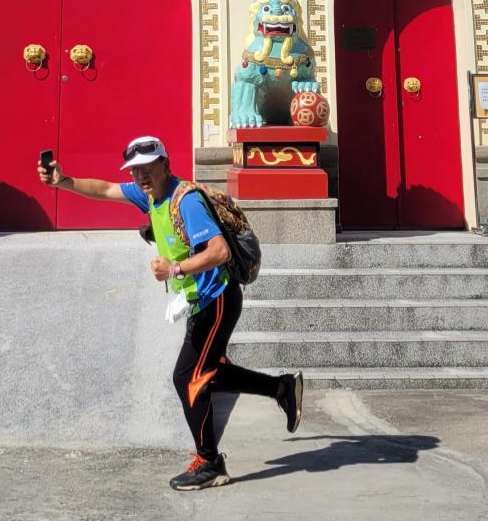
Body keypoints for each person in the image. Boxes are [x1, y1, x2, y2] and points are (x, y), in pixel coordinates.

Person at [39, 133, 302, 489]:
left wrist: (175, 269)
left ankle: (210, 462)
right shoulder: (148, 194)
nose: (141, 176)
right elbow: (105, 189)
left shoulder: (186, 201)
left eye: (148, 168)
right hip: (202, 301)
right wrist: (62, 181)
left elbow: (220, 252)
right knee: (210, 372)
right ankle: (281, 388)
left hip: (217, 300)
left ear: (165, 165)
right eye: (135, 170)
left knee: (187, 377)